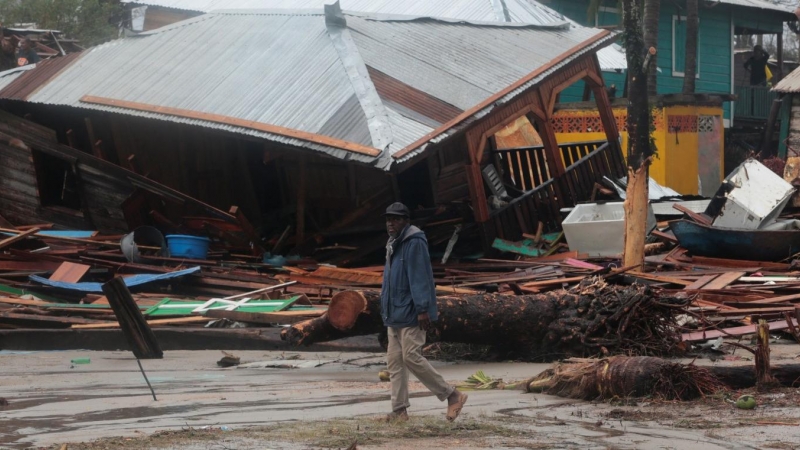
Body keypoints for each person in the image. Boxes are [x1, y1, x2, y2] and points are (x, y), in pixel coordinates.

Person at [380, 202, 468, 422]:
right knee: (395, 362)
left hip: (411, 312)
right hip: (394, 313)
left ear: (406, 221)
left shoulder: (414, 242)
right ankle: (399, 410)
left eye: (396, 219)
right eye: (389, 219)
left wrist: (423, 309)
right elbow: (389, 280)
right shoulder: (393, 242)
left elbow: (420, 278)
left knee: (411, 357)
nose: (391, 223)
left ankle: (452, 395)